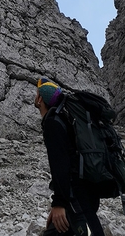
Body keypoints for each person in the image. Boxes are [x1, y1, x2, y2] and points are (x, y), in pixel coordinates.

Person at [35, 77, 106, 236]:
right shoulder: (65, 119)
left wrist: (59, 204)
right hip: (85, 191)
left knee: (90, 232)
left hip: (77, 197)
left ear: (40, 99)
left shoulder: (53, 123)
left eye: (36, 94)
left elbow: (61, 164)